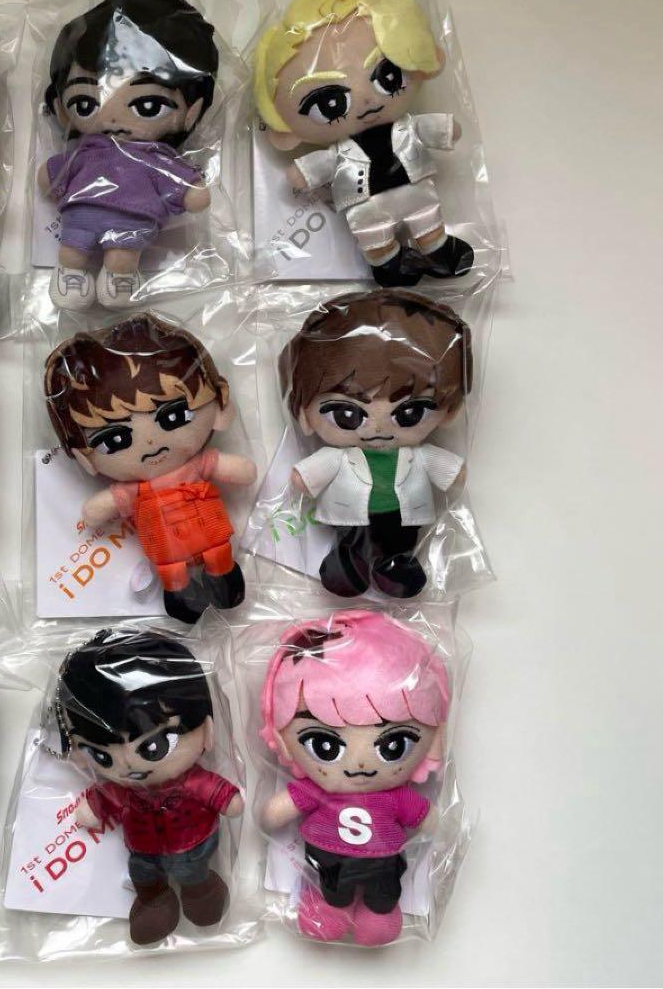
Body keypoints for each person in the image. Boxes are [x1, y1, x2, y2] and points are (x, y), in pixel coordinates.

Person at [254, 0, 473, 286]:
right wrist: (302, 173)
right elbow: (314, 168)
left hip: (414, 190)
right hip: (367, 207)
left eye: (387, 76)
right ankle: (388, 262)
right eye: (330, 103)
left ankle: (437, 248)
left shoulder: (405, 127)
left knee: (426, 217)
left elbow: (428, 128)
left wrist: (446, 129)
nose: (367, 100)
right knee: (373, 235)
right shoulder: (339, 153)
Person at [44, 314, 256, 622]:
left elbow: (243, 471)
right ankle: (180, 594)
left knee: (218, 555)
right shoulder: (136, 489)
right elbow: (95, 511)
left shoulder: (197, 466)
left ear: (220, 405)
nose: (151, 443)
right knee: (172, 570)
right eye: (114, 439)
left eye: (174, 416)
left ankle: (223, 578)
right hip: (167, 548)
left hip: (211, 532)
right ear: (82, 456)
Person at [259, 610, 449, 946]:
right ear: (283, 741)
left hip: (383, 862)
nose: (359, 763)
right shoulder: (316, 790)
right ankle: (329, 907)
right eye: (324, 745)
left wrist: (443, 832)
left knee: (383, 894)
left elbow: (428, 819)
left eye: (393, 745)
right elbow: (275, 813)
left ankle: (378, 913)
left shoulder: (396, 797)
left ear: (434, 738)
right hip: (330, 861)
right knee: (332, 890)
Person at [57, 628, 243, 945]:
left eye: (153, 746)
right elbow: (102, 802)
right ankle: (155, 901)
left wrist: (229, 800)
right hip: (143, 851)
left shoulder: (192, 781)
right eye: (102, 755)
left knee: (192, 871)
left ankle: (200, 889)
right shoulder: (122, 791)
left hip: (194, 844)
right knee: (143, 875)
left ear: (207, 729)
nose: (129, 765)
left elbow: (222, 796)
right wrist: (92, 808)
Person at [279, 289, 470, 598]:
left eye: (409, 412)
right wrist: (303, 478)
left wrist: (454, 472)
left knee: (401, 543)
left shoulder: (419, 454)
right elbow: (306, 476)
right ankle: (349, 560)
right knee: (351, 540)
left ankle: (394, 565)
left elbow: (449, 469)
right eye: (346, 413)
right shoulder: (338, 457)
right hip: (350, 516)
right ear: (304, 415)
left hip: (402, 518)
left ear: (449, 410)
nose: (378, 428)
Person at [39, 0, 218, 308]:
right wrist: (49, 177)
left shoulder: (157, 158)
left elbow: (189, 190)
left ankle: (118, 276)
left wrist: (192, 190)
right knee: (71, 252)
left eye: (148, 105)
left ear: (190, 112)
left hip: (132, 220)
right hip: (81, 215)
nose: (110, 117)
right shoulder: (87, 150)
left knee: (122, 258)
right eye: (86, 103)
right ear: (62, 109)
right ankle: (71, 273)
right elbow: (53, 173)